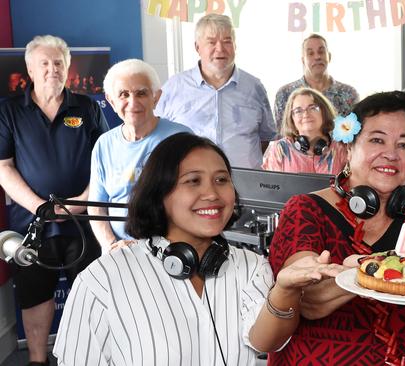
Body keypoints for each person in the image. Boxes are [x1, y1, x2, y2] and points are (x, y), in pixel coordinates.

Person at [54, 132, 344, 365]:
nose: (212, 194)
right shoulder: (103, 279)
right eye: (193, 181)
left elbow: (264, 342)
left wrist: (285, 289)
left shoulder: (250, 266)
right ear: (159, 194)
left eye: (221, 180)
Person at [268, 91, 405, 365]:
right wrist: (364, 272)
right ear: (349, 148)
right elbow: (307, 300)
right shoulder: (305, 211)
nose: (391, 154)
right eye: (377, 140)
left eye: (403, 145)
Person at [0, 35, 108, 366]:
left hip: (85, 221)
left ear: (68, 68)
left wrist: (77, 205)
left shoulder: (88, 107)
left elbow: (105, 163)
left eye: (58, 63)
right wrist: (40, 208)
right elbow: (3, 168)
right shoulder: (9, 111)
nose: (52, 69)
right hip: (30, 224)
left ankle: (91, 358)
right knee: (35, 295)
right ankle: (36, 359)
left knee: (92, 294)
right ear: (30, 69)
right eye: (44, 64)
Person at [88, 59, 193, 253]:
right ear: (111, 101)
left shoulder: (182, 139)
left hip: (171, 250)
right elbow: (96, 207)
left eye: (141, 93)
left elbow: (193, 200)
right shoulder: (104, 144)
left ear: (156, 97)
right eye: (124, 94)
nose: (133, 102)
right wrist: (111, 244)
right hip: (120, 251)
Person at [154, 14, 276, 169]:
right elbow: (157, 136)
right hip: (190, 182)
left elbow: (265, 137)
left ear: (235, 46)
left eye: (227, 41)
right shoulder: (174, 87)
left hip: (244, 184)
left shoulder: (254, 87)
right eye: (211, 42)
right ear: (197, 47)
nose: (220, 49)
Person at [274, 34, 359, 128]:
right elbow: (281, 134)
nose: (317, 57)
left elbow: (356, 134)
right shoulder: (285, 94)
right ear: (303, 60)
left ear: (329, 56)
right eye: (310, 53)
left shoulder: (349, 94)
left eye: (321, 52)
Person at [262, 87, 347, 174]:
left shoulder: (342, 148)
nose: (306, 114)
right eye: (298, 111)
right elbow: (271, 186)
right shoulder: (278, 150)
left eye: (312, 108)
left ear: (324, 112)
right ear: (292, 118)